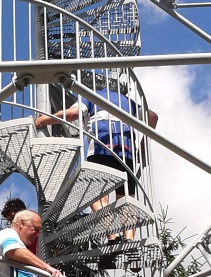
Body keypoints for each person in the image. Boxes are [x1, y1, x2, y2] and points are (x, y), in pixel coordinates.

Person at [35, 87, 158, 241]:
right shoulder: (127, 102)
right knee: (126, 199)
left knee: (96, 196)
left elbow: (73, 113)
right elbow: (152, 117)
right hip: (127, 152)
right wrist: (142, 148)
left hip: (102, 148)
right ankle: (129, 239)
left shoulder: (91, 97)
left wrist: (44, 119)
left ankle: (112, 235)